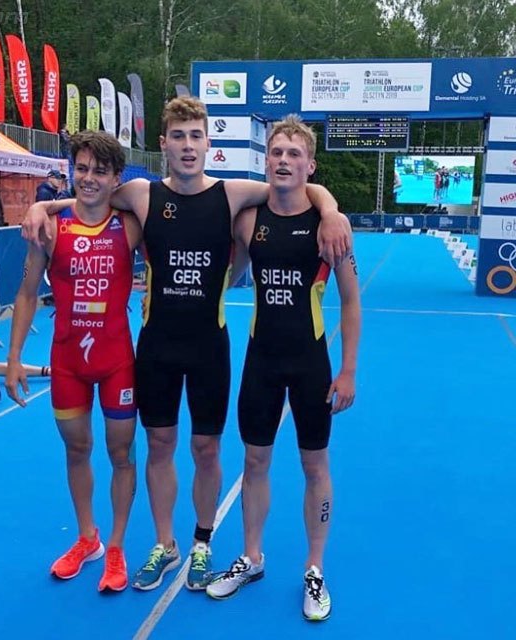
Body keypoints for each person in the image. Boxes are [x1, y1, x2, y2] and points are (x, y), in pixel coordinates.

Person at [21, 96, 351, 592]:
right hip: (157, 347)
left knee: (206, 448)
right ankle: (164, 543)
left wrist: (330, 209)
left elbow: (296, 184)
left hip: (209, 349)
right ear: (165, 144)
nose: (188, 146)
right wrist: (42, 205)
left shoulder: (232, 195)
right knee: (159, 445)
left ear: (208, 143)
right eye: (178, 137)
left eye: (196, 136)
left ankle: (202, 543)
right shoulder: (142, 194)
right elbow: (90, 197)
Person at [204, 115, 361, 623]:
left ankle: (315, 568)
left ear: (310, 165)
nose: (284, 160)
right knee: (254, 462)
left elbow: (352, 302)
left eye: (295, 154)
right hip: (262, 362)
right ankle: (251, 557)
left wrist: (348, 371)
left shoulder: (329, 227)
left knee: (315, 466)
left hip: (311, 363)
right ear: (266, 160)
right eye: (277, 152)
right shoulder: (249, 221)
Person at [5, 130, 142, 593]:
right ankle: (88, 538)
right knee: (77, 449)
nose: (89, 178)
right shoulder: (49, 229)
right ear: (70, 171)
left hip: (117, 361)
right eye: (81, 169)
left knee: (121, 454)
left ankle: (117, 546)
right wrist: (14, 359)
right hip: (67, 361)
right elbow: (27, 293)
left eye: (100, 171)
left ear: (116, 177)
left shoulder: (131, 224)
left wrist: (46, 203)